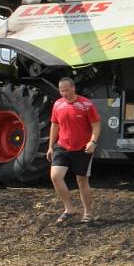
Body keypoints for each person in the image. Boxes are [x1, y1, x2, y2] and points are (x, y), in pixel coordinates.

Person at [46, 78, 101, 225]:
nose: (64, 94)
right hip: (62, 147)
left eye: (66, 90)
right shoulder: (58, 104)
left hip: (82, 149)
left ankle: (88, 213)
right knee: (55, 176)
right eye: (61, 91)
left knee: (81, 181)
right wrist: (51, 146)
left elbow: (96, 125)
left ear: (73, 88)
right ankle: (69, 209)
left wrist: (93, 142)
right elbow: (54, 126)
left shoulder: (86, 104)